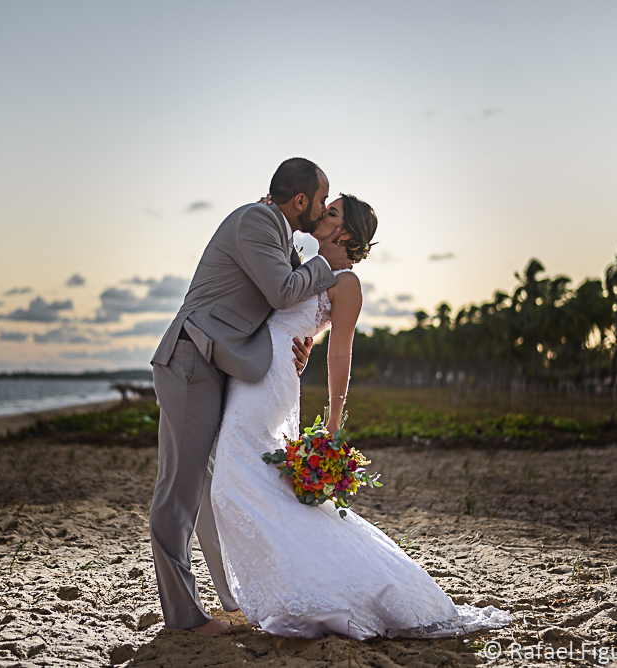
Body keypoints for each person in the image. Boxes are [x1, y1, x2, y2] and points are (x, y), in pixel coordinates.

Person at [209, 195, 513, 639]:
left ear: (344, 232)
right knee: (253, 481)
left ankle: (306, 586)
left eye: (329, 213)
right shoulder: (301, 264)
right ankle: (296, 584)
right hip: (255, 369)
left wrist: (334, 420)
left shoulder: (346, 283)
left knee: (232, 481)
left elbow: (340, 351)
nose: (320, 215)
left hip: (270, 381)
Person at [149, 158, 352, 635]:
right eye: (322, 200)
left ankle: (226, 598)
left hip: (217, 364)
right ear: (300, 200)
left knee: (210, 484)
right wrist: (326, 265)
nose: (322, 209)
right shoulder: (257, 220)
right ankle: (183, 617)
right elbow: (283, 292)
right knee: (180, 490)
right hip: (190, 359)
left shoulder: (279, 236)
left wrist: (300, 342)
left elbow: (276, 310)